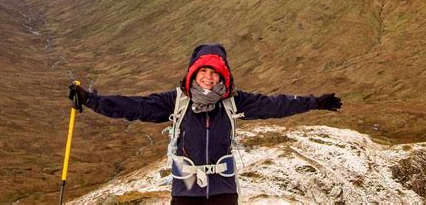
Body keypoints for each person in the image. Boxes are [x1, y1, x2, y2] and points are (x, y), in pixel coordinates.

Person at [69, 43, 342, 205]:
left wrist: (315, 102)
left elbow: (277, 104)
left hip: (224, 188)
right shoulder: (175, 101)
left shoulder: (235, 100)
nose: (209, 78)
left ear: (222, 75)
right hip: (186, 187)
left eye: (214, 72)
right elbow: (133, 107)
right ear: (193, 73)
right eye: (204, 71)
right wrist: (93, 100)